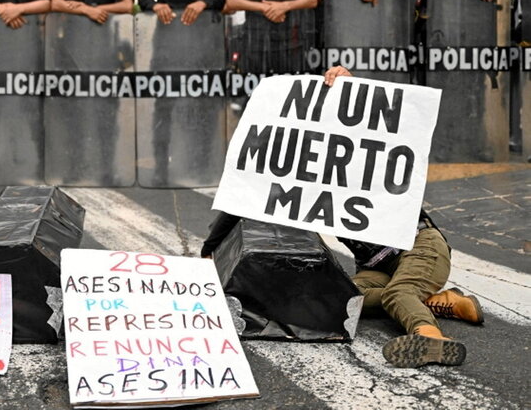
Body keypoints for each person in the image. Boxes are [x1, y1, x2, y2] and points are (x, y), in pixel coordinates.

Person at [201, 65, 485, 368]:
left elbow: (377, 129)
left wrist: (351, 89)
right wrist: (209, 254)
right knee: (340, 299)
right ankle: (444, 302)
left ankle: (429, 336)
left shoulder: (360, 155)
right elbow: (246, 196)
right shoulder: (308, 177)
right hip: (375, 266)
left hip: (420, 246)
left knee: (399, 292)